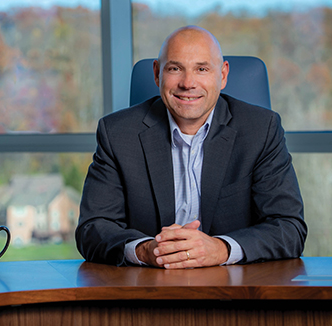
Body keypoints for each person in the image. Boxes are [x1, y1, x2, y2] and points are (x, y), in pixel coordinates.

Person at [75, 26, 307, 269]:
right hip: (147, 291)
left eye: (202, 69)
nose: (188, 83)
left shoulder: (261, 130)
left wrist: (220, 249)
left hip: (237, 292)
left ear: (223, 75)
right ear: (157, 74)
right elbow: (92, 228)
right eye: (175, 68)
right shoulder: (118, 133)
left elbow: (289, 227)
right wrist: (145, 250)